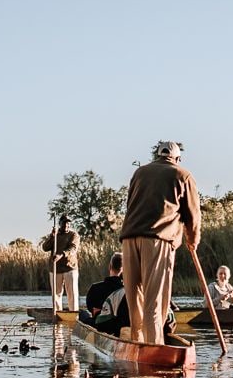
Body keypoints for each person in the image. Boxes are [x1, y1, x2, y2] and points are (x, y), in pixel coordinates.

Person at [119, 141, 200, 345]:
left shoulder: (139, 173)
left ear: (158, 155)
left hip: (129, 238)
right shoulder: (183, 175)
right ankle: (154, 346)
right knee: (155, 299)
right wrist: (192, 240)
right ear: (177, 159)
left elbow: (130, 204)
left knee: (134, 296)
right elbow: (193, 215)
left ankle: (136, 342)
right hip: (157, 239)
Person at [40, 215, 81, 312]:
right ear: (60, 224)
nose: (66, 225)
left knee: (72, 293)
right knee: (56, 294)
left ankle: (73, 313)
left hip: (69, 268)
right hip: (55, 269)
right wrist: (52, 236)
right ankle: (57, 313)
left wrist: (61, 255)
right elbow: (45, 247)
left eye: (68, 223)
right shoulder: (55, 235)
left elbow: (73, 248)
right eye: (64, 223)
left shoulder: (74, 235)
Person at [82, 252, 127, 332]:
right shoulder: (125, 291)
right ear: (123, 269)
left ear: (109, 267)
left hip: (98, 324)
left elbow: (90, 308)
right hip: (116, 326)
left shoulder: (95, 288)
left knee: (82, 313)